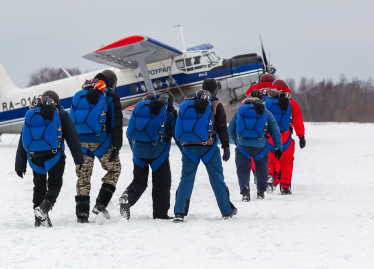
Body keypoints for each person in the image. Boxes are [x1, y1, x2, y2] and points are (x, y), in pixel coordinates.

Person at [15, 90, 84, 227]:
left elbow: (22, 141)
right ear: (57, 101)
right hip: (54, 156)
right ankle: (43, 209)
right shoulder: (60, 113)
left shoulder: (32, 113)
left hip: (34, 157)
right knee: (54, 185)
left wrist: (20, 165)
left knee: (39, 186)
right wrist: (79, 159)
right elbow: (72, 138)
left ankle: (38, 219)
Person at [173, 78, 237, 222]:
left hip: (189, 147)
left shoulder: (187, 102)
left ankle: (179, 212)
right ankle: (227, 210)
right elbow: (221, 128)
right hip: (209, 148)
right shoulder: (216, 104)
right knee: (217, 179)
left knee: (186, 179)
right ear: (215, 90)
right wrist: (226, 146)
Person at [70, 69, 123, 223]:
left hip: (81, 144)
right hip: (102, 143)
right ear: (112, 82)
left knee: (83, 177)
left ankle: (81, 215)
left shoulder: (80, 94)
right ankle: (101, 204)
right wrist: (116, 147)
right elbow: (116, 124)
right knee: (115, 169)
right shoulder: (111, 96)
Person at [119, 91, 176, 220]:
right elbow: (175, 133)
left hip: (138, 152)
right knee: (162, 183)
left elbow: (129, 132)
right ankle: (160, 214)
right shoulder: (168, 112)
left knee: (139, 181)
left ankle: (126, 198)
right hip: (159, 153)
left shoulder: (140, 109)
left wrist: (134, 148)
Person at [228, 90, 282, 201]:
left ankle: (245, 192)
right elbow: (275, 131)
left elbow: (230, 129)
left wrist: (236, 140)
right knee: (262, 169)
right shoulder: (266, 113)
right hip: (260, 146)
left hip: (242, 145)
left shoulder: (240, 111)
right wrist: (278, 148)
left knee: (242, 169)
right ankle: (261, 192)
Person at [265, 79, 306, 194]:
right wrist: (301, 136)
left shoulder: (267, 101)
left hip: (270, 137)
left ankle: (269, 178)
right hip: (285, 137)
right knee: (287, 161)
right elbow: (297, 119)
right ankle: (285, 186)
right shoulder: (291, 103)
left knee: (270, 160)